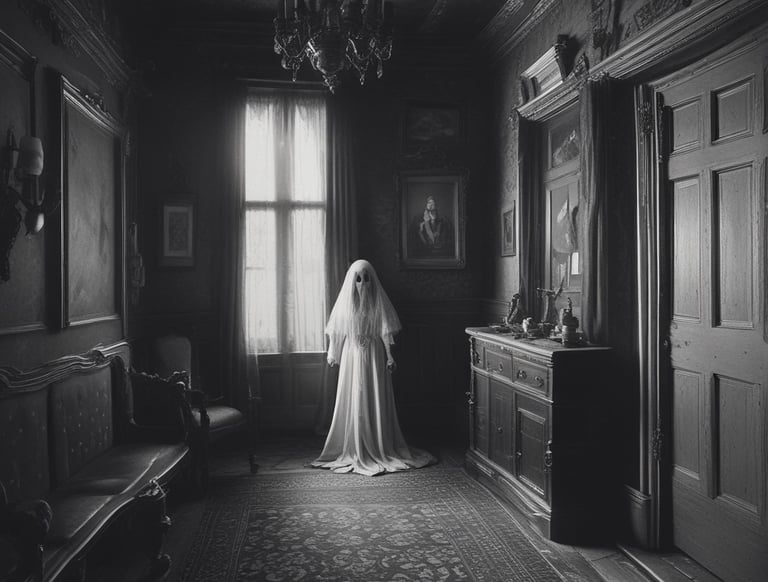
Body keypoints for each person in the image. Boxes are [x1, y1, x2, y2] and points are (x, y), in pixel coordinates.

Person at [312, 259, 436, 476]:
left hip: (374, 356)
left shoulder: (378, 305)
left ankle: (377, 442)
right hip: (351, 356)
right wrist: (333, 354)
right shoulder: (345, 306)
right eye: (358, 280)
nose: (362, 284)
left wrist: (389, 356)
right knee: (353, 396)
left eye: (366, 279)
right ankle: (353, 442)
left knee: (374, 395)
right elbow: (337, 332)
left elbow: (385, 332)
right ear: (352, 282)